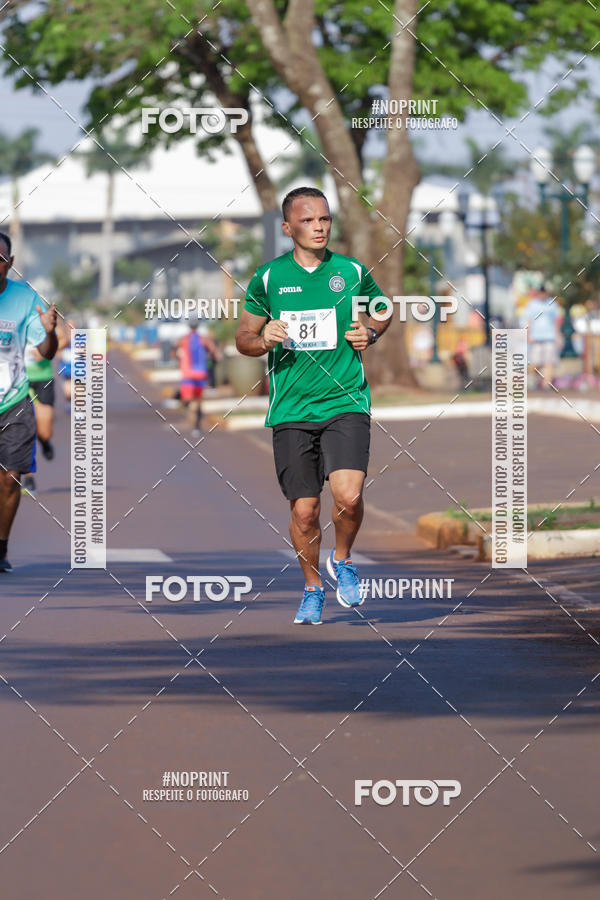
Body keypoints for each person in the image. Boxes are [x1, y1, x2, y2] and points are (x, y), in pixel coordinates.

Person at [236, 186, 390, 625]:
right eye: (307, 220)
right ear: (288, 228)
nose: (319, 227)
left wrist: (371, 333)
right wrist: (262, 339)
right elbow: (243, 338)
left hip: (345, 400)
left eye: (324, 219)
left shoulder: (351, 271)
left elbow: (382, 309)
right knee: (305, 512)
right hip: (292, 409)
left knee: (349, 496)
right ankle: (311, 587)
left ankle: (342, 559)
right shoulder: (268, 278)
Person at [0, 232, 58, 571]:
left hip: (14, 401)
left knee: (10, 479)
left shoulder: (24, 298)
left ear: (10, 263)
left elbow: (46, 353)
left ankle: (1, 547)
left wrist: (49, 332)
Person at [177, 322, 220, 436]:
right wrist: (208, 358)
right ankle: (197, 426)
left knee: (188, 401)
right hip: (201, 374)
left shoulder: (183, 340)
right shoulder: (204, 339)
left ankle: (194, 421)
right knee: (198, 401)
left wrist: (181, 361)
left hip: (187, 375)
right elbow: (214, 351)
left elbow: (173, 352)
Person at [523, 281, 562, 389]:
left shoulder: (552, 303)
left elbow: (556, 321)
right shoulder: (532, 304)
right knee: (535, 363)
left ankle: (546, 384)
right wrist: (528, 335)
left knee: (549, 362)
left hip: (550, 337)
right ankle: (536, 380)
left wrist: (558, 336)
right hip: (536, 338)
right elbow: (528, 320)